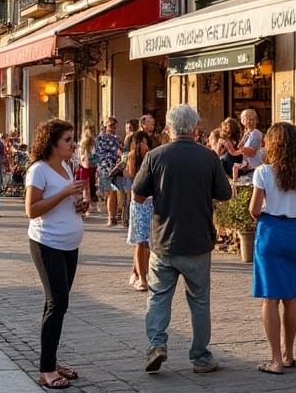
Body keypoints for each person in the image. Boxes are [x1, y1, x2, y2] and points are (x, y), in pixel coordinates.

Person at [131, 104, 232, 375]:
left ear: (169, 127)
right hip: (198, 240)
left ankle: (156, 344)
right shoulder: (208, 157)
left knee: (158, 296)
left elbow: (138, 196)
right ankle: (200, 356)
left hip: (163, 240)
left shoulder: (155, 156)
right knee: (199, 300)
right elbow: (225, 195)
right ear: (196, 128)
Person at [24, 118, 88, 390]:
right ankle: (46, 370)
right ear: (52, 143)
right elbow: (32, 209)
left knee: (56, 304)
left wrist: (79, 205)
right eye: (68, 140)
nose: (73, 144)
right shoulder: (38, 171)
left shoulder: (65, 166)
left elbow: (65, 203)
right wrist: (64, 194)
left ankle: (50, 359)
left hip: (69, 245)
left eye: (73, 139)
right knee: (57, 303)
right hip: (47, 243)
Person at [249, 123, 296, 375]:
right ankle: (288, 353)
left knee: (270, 297)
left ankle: (275, 359)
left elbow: (255, 209)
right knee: (290, 297)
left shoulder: (264, 172)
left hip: (270, 230)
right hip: (295, 231)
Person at [125, 115, 156, 291]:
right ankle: (140, 276)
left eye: (146, 143)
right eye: (142, 143)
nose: (145, 146)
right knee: (140, 241)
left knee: (149, 242)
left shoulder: (152, 157)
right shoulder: (132, 157)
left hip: (151, 201)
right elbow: (132, 177)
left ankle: (142, 272)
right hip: (139, 202)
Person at [94, 118, 123, 227]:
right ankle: (111, 216)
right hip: (105, 168)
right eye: (111, 126)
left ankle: (113, 216)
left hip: (116, 168)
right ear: (105, 126)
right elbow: (96, 155)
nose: (113, 128)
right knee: (109, 192)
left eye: (115, 126)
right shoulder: (100, 139)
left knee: (114, 191)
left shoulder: (117, 138)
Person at [235, 109, 264, 179]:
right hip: (247, 166)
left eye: (243, 118)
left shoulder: (255, 134)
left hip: (253, 168)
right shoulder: (248, 133)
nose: (242, 120)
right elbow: (240, 146)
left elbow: (250, 151)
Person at [77, 121, 97, 216]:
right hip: (90, 166)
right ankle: (87, 207)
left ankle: (86, 207)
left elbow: (80, 156)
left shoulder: (83, 143)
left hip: (84, 166)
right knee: (88, 187)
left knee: (85, 187)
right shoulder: (92, 142)